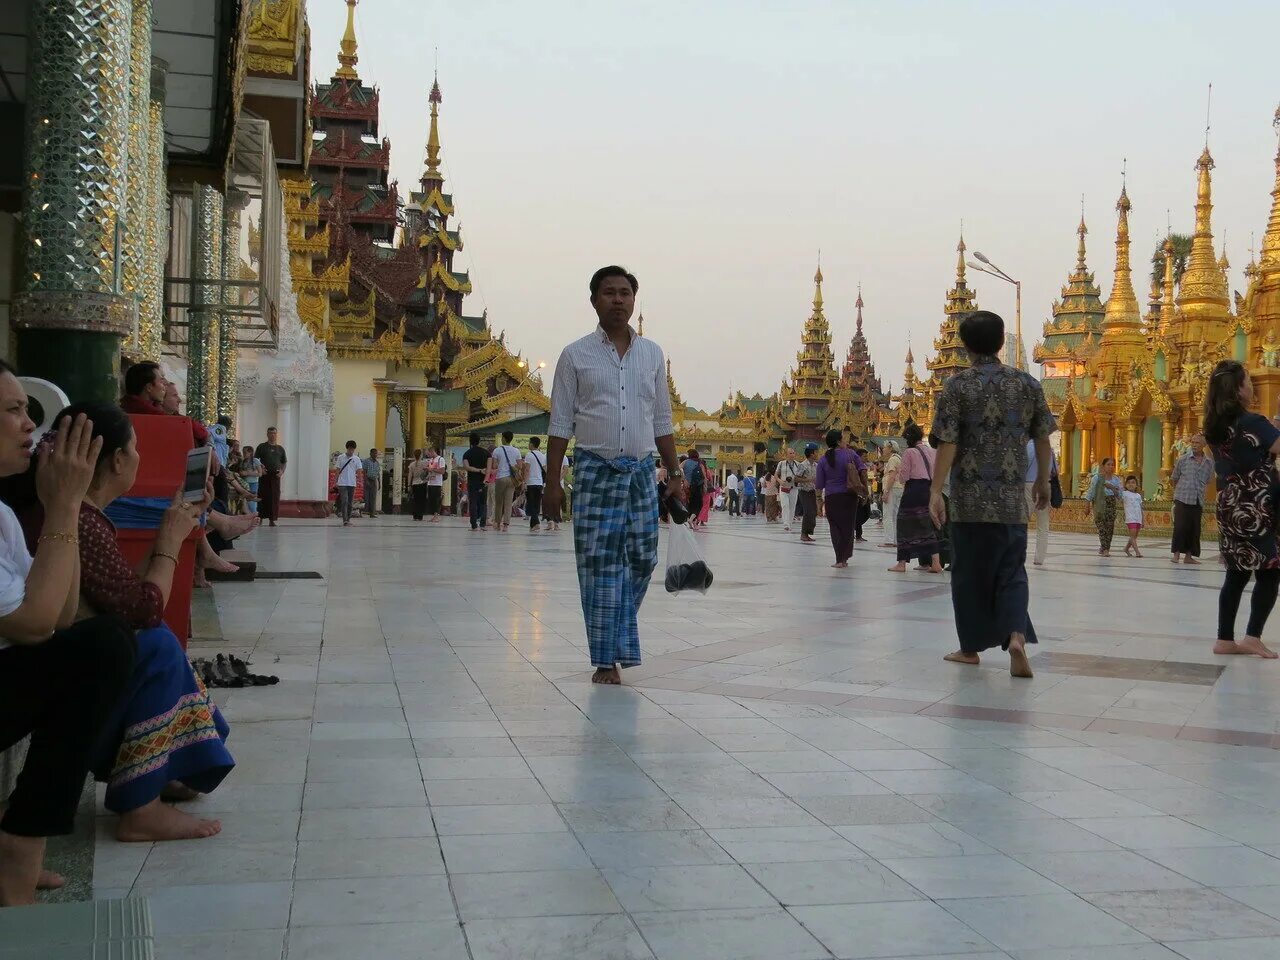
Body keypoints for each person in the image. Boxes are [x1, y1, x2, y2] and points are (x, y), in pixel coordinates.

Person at [18, 402, 233, 842]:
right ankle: (140, 803)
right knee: (155, 643)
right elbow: (143, 609)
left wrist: (169, 533)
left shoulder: (83, 516)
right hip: (61, 683)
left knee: (151, 641)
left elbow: (120, 596)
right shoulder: (76, 518)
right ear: (117, 460)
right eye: (134, 449)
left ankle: (163, 768)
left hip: (63, 671)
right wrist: (171, 541)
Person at [0, 382, 136, 906]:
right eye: (14, 411)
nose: (30, 426)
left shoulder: (5, 517)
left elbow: (59, 613)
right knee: (104, 648)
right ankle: (21, 841)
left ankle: (22, 834)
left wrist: (70, 504)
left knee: (106, 642)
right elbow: (36, 624)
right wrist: (64, 509)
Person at [543, 264, 683, 685]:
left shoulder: (652, 354)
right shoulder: (575, 355)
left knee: (643, 558)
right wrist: (552, 484)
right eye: (609, 292)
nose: (618, 300)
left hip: (641, 472)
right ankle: (606, 660)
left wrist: (674, 471)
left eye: (625, 292)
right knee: (599, 565)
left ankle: (615, 633)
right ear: (594, 300)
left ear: (634, 300)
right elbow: (559, 424)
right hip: (594, 470)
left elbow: (661, 420)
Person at [930, 310, 1055, 679]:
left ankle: (970, 649)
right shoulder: (1027, 385)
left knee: (968, 574)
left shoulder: (957, 386)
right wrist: (1043, 481)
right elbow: (1043, 437)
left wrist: (936, 490)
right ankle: (1016, 636)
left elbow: (948, 443)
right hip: (1011, 500)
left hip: (969, 500)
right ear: (1001, 342)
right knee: (1012, 571)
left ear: (965, 345)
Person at [1204, 360, 1280, 658]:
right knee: (1271, 569)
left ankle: (1224, 639)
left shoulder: (1214, 427)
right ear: (1238, 390)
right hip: (1258, 506)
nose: (1252, 385)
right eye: (1248, 380)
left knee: (1236, 572)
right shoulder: (1253, 422)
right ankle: (1252, 636)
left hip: (1229, 504)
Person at [887, 424, 942, 574]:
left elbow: (904, 477)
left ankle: (902, 563)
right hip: (929, 489)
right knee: (927, 525)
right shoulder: (931, 451)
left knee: (904, 524)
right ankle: (936, 563)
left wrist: (899, 474)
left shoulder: (909, 452)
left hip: (913, 490)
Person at [814, 428, 863, 568]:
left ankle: (839, 559)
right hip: (850, 496)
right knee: (848, 527)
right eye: (843, 438)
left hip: (832, 497)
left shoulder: (823, 460)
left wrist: (819, 502)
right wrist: (863, 489)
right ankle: (845, 557)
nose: (845, 440)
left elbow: (819, 484)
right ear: (838, 441)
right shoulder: (851, 454)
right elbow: (862, 469)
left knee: (835, 528)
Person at [1171, 433, 1213, 564]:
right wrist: (1178, 492)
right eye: (1193, 442)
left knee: (1194, 528)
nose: (1194, 445)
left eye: (1197, 443)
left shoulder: (1209, 463)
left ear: (1204, 445)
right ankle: (1176, 555)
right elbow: (1174, 478)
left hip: (1197, 499)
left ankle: (1188, 556)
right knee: (1180, 527)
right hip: (1182, 497)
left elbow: (1208, 481)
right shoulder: (1183, 459)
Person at [1024, 438, 1055, 566]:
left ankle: (1019, 553)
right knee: (1043, 525)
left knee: (1022, 522)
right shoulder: (1049, 449)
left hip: (1028, 485)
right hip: (1044, 486)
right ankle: (1039, 558)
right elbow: (1054, 471)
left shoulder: (1026, 448)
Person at [1083, 457, 1123, 556]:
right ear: (1103, 466)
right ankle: (1105, 548)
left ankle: (1105, 548)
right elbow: (1090, 492)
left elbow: (1119, 496)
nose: (1111, 467)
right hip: (1099, 504)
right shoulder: (1097, 478)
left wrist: (1113, 488)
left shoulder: (1116, 479)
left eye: (1112, 465)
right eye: (1108, 464)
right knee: (1101, 527)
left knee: (1109, 528)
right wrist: (1087, 506)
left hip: (1111, 504)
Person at [254, 427, 286, 526]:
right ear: (267, 434)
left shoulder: (280, 449)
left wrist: (282, 472)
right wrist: (261, 469)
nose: (272, 435)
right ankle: (261, 518)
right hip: (264, 475)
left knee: (274, 497)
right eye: (270, 433)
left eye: (274, 433)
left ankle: (272, 520)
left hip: (275, 476)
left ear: (277, 435)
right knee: (262, 496)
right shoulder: (262, 446)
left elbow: (284, 462)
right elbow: (255, 460)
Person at [492, 430, 523, 532]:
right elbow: (520, 466)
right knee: (508, 502)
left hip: (500, 478)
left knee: (499, 502)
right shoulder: (516, 451)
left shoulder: (497, 450)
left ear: (504, 438)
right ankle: (506, 525)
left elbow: (494, 466)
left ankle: (497, 523)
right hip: (512, 479)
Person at [461, 434, 490, 530]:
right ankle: (483, 525)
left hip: (472, 481)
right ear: (479, 441)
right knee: (483, 503)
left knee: (472, 502)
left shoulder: (467, 453)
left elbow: (466, 467)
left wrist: (478, 470)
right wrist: (486, 479)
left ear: (470, 441)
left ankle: (474, 525)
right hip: (483, 481)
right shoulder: (487, 453)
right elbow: (489, 469)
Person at [795, 443, 819, 543]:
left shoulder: (816, 465)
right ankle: (803, 534)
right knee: (808, 511)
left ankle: (808, 533)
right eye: (816, 452)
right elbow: (796, 478)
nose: (817, 454)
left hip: (812, 491)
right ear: (812, 453)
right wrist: (809, 480)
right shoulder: (803, 465)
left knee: (814, 512)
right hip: (804, 491)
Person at [523, 437, 549, 532]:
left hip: (531, 483)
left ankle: (536, 523)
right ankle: (532, 525)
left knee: (530, 504)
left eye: (529, 442)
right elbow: (546, 470)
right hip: (539, 483)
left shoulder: (529, 455)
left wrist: (524, 482)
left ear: (532, 444)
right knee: (536, 504)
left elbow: (527, 470)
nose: (528, 444)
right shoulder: (542, 456)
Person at [333, 440, 360, 526]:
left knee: (350, 502)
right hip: (342, 483)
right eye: (350, 449)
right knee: (344, 500)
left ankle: (348, 519)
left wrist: (359, 479)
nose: (351, 451)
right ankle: (345, 520)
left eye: (352, 449)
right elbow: (337, 470)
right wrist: (336, 481)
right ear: (347, 448)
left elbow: (359, 470)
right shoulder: (341, 457)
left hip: (352, 483)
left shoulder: (356, 459)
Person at [777, 448, 800, 533]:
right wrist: (780, 481)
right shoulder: (781, 463)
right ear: (786, 455)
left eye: (793, 453)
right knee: (785, 506)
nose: (792, 455)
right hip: (783, 488)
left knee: (792, 507)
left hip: (794, 488)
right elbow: (776, 475)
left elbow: (800, 476)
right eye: (790, 453)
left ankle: (790, 523)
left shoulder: (798, 464)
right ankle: (786, 524)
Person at [1121, 475, 1144, 558]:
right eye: (1129, 483)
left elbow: (1141, 508)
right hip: (1130, 518)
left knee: (1134, 537)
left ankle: (1126, 549)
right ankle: (1137, 552)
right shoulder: (1124, 494)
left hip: (1138, 519)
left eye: (1133, 482)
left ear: (1136, 485)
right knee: (1133, 536)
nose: (1131, 484)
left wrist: (1143, 520)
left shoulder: (1138, 495)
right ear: (1126, 485)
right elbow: (1117, 494)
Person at [682, 449, 705, 530]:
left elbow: (678, 470)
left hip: (687, 487)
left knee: (690, 504)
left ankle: (689, 520)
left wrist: (684, 479)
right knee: (699, 504)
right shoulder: (700, 463)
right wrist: (705, 488)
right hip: (698, 487)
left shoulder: (685, 462)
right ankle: (691, 520)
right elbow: (704, 477)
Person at [854, 446, 872, 542]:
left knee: (861, 514)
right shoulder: (860, 467)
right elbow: (864, 482)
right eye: (864, 456)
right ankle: (858, 535)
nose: (866, 458)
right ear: (859, 457)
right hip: (861, 493)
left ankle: (856, 531)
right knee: (862, 514)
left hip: (857, 492)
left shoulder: (856, 466)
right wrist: (866, 494)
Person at [238, 444, 262, 514]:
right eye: (243, 452)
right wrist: (241, 473)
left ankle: (254, 515)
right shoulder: (243, 461)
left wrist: (248, 473)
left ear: (250, 452)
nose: (244, 454)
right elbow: (241, 472)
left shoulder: (255, 461)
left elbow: (260, 473)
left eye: (245, 452)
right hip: (244, 484)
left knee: (252, 501)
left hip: (253, 483)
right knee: (246, 502)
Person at [425, 446, 446, 522]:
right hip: (430, 482)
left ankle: (436, 516)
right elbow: (430, 470)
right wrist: (427, 470)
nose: (428, 455)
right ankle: (434, 515)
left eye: (429, 453)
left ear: (432, 451)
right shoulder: (431, 460)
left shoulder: (441, 459)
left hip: (437, 483)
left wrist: (432, 469)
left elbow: (442, 471)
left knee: (436, 500)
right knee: (432, 500)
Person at [407, 448, 428, 521]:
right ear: (421, 455)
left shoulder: (412, 464)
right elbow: (427, 472)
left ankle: (415, 515)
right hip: (422, 483)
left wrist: (409, 485)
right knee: (421, 500)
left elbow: (410, 475)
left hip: (414, 484)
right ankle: (420, 515)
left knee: (415, 500)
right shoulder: (425, 463)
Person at [361, 448, 381, 518]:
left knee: (373, 497)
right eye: (374, 453)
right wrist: (366, 481)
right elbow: (364, 472)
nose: (375, 455)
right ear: (371, 453)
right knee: (366, 497)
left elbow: (378, 473)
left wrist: (379, 483)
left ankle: (372, 513)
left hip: (374, 480)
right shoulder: (366, 461)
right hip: (368, 480)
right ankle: (365, 511)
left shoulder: (377, 463)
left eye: (376, 453)